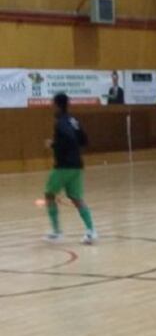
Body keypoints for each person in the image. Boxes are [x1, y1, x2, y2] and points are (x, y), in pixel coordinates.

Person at [43, 93, 97, 244]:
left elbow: (69, 138)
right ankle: (91, 231)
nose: (51, 106)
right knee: (76, 198)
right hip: (77, 165)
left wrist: (53, 144)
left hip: (63, 166)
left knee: (49, 194)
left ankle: (57, 232)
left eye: (52, 103)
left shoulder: (60, 122)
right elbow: (84, 140)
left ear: (57, 105)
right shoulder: (74, 120)